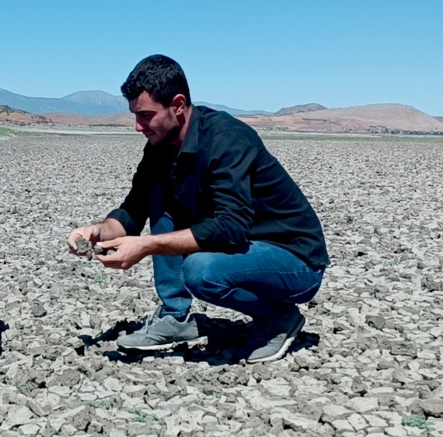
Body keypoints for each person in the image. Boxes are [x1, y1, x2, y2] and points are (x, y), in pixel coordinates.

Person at [67, 55, 329, 364]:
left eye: (146, 115)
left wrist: (147, 245)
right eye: (134, 116)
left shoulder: (226, 139)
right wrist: (97, 231)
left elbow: (231, 228)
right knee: (159, 198)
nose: (138, 127)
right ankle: (175, 318)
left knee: (201, 271)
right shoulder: (159, 147)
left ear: (178, 105)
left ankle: (280, 318)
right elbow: (133, 211)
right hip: (248, 249)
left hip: (295, 261)